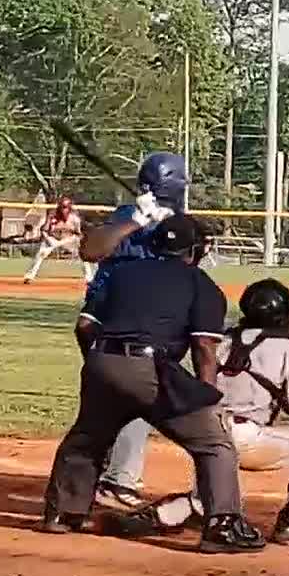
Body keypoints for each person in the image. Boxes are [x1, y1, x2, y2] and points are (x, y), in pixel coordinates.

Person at [39, 212, 265, 554]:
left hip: (101, 361)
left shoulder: (122, 273)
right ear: (195, 251)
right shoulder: (200, 284)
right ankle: (222, 525)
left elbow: (84, 326)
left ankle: (62, 514)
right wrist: (207, 395)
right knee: (214, 444)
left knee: (87, 437)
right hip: (150, 369)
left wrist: (101, 365)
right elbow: (204, 346)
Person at [106, 279, 289, 546]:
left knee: (207, 502)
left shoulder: (224, 340)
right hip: (246, 436)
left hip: (205, 431)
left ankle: (153, 517)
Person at [79, 153, 190, 511]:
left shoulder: (177, 223)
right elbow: (90, 249)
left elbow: (190, 262)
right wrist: (138, 220)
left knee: (119, 399)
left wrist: (166, 227)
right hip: (114, 318)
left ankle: (104, 479)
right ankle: (115, 481)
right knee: (134, 395)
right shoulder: (128, 215)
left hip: (149, 318)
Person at [23, 197, 91, 284]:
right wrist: (48, 239)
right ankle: (30, 276)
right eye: (62, 207)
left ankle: (89, 278)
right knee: (41, 253)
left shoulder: (75, 219)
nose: (63, 209)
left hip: (68, 239)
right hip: (53, 239)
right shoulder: (52, 217)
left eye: (65, 207)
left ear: (69, 208)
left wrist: (75, 241)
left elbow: (79, 234)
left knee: (82, 254)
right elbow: (43, 230)